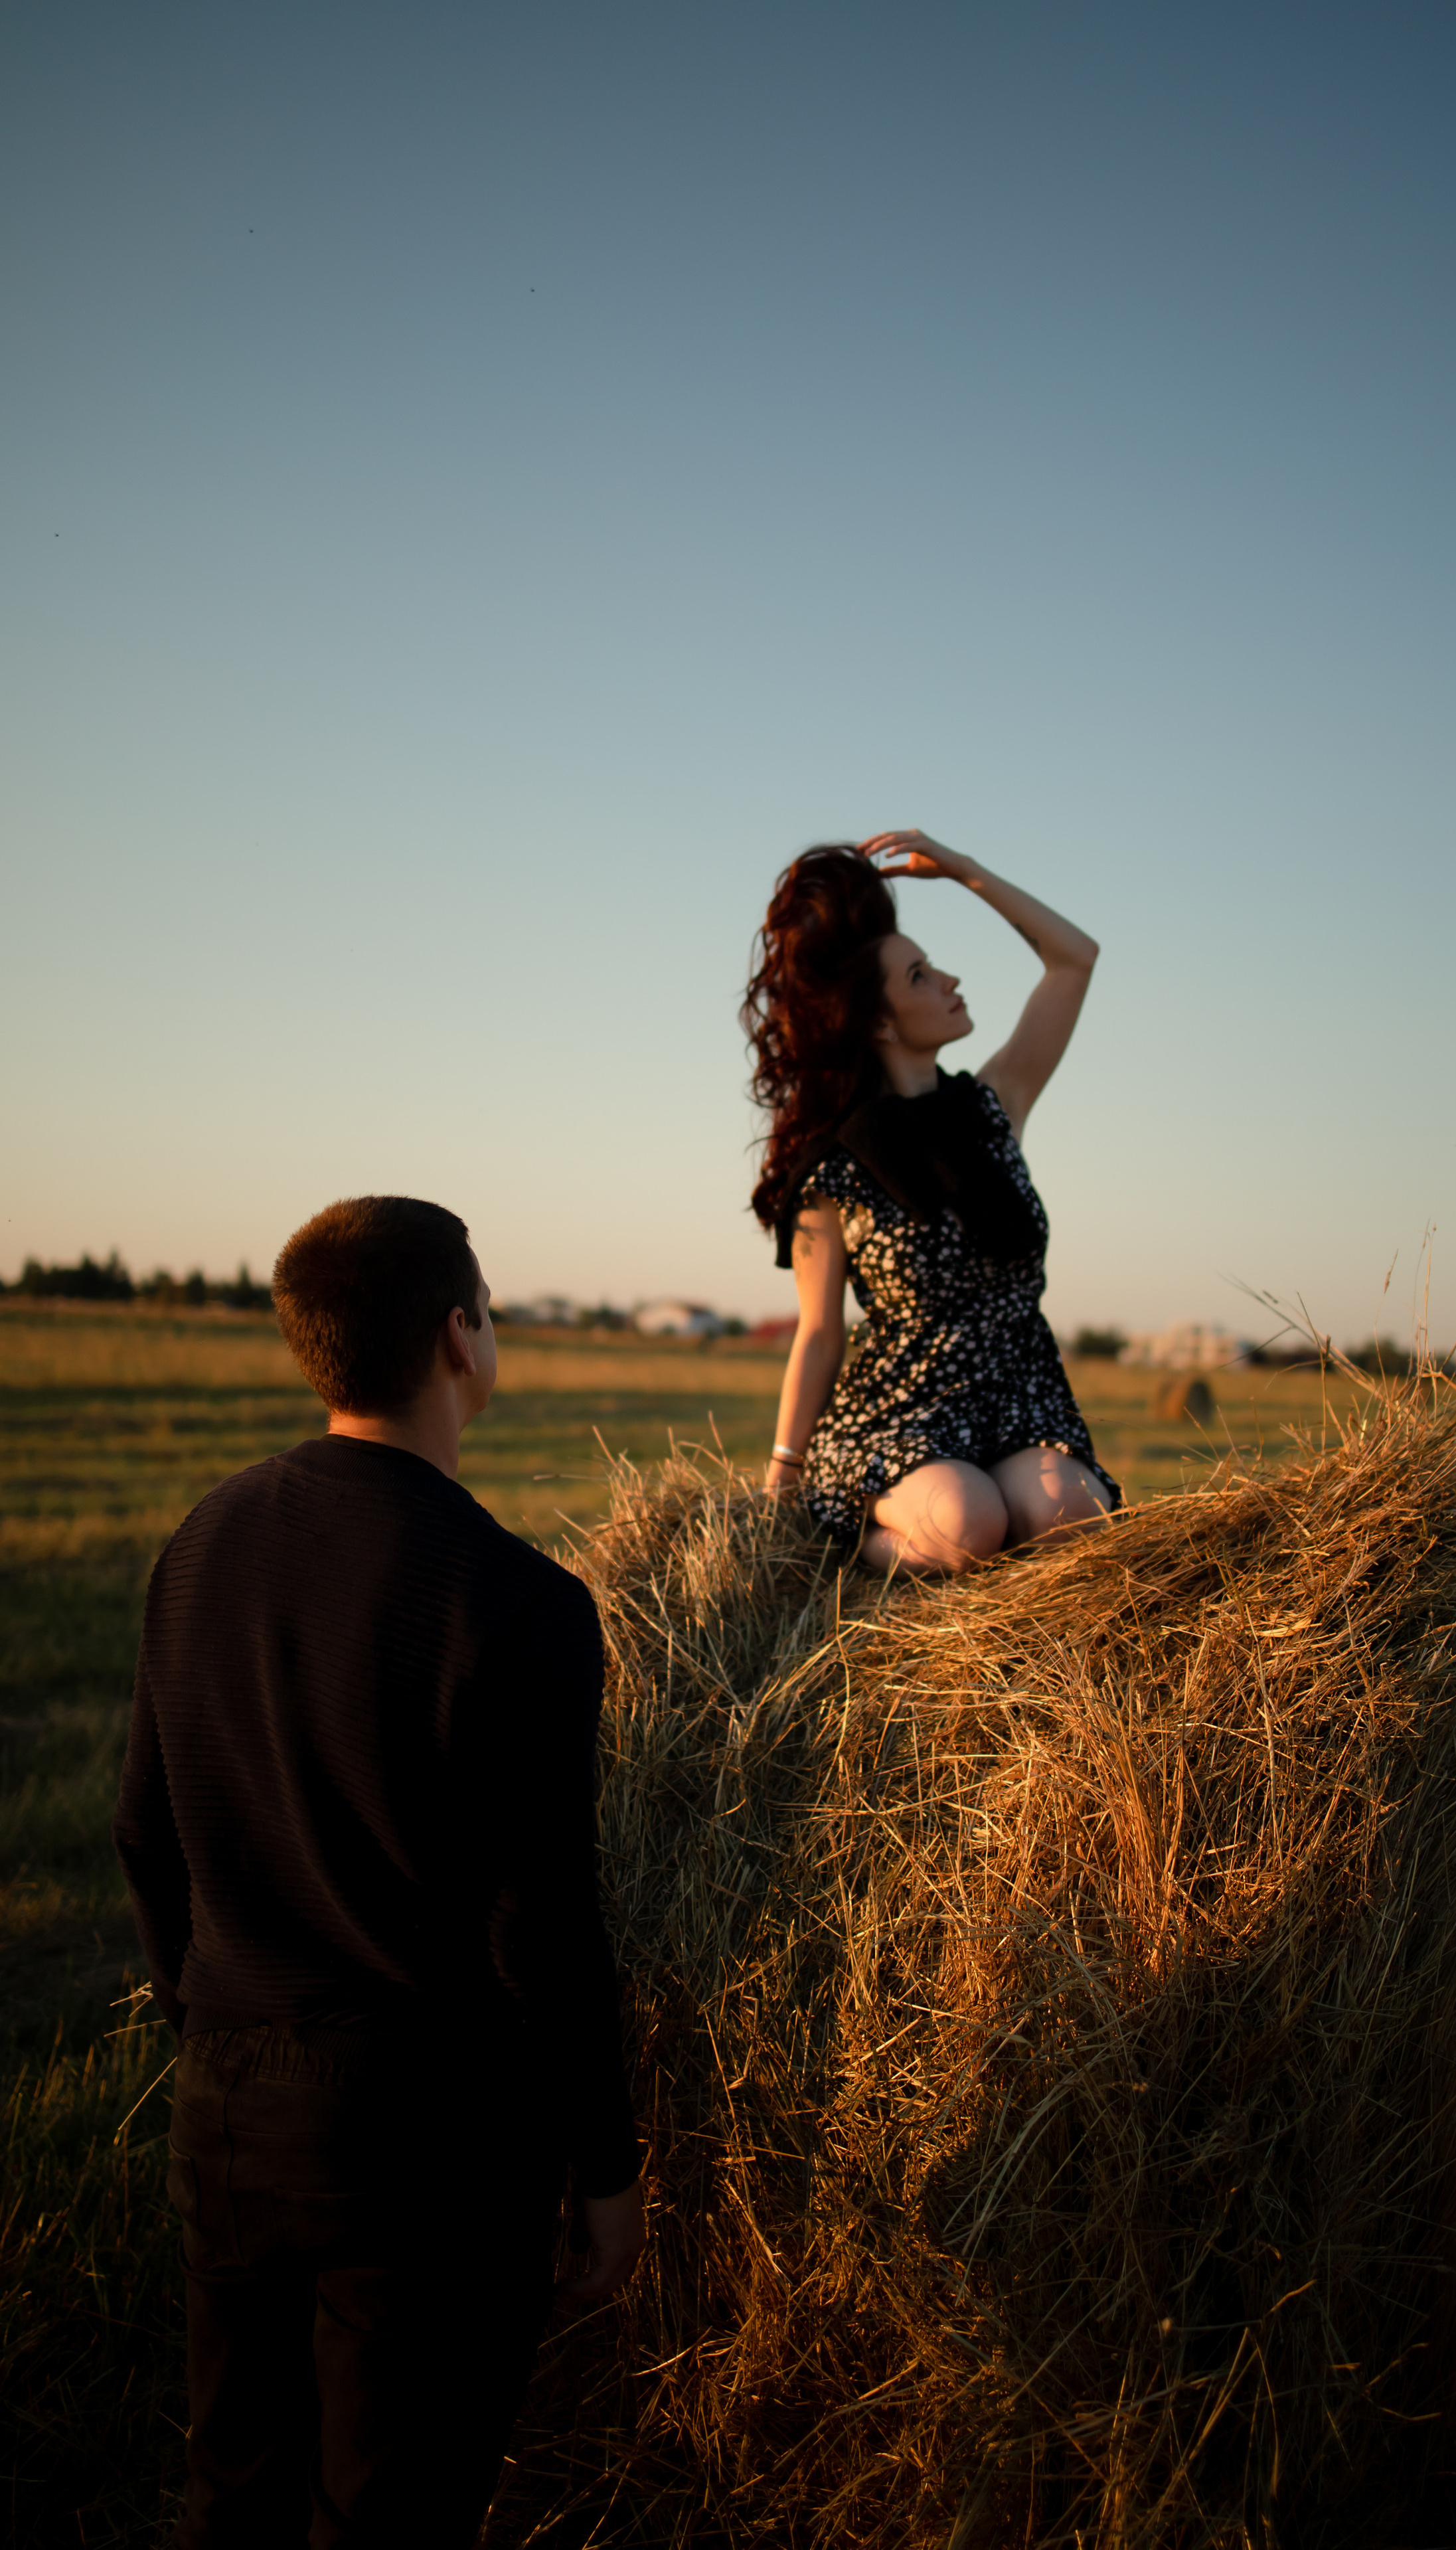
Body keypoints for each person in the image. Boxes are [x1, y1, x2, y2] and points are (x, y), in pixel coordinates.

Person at [112, 1195, 643, 2548]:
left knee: (231, 2501)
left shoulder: (201, 1543)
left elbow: (144, 1833)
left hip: (230, 2110)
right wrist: (604, 2166)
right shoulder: (521, 1603)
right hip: (429, 2148)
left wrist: (214, 2026)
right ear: (460, 1337)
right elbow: (541, 1926)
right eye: (489, 1307)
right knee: (389, 2522)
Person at [745, 829, 1120, 1572]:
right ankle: (854, 1548)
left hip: (1020, 1400)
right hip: (899, 1417)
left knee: (1073, 1516)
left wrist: (963, 871)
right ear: (879, 1021)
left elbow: (1074, 959)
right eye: (919, 975)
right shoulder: (833, 1172)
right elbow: (820, 1334)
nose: (950, 980)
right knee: (967, 1522)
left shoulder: (994, 1107)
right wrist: (782, 1477)